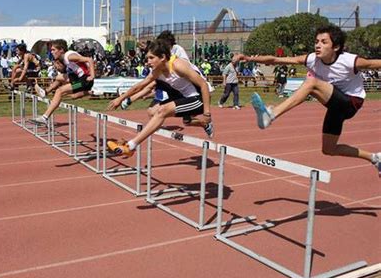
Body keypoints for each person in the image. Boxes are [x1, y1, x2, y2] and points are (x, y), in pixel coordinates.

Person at [239, 24, 381, 176]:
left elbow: (376, 63)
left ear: (336, 47)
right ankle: (375, 158)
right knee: (328, 149)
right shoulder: (312, 59)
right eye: (316, 41)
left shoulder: (350, 61)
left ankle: (271, 115)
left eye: (324, 42)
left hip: (351, 103)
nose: (318, 45)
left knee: (311, 82)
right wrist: (248, 58)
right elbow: (275, 59)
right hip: (335, 106)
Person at [106, 39, 213, 157]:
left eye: (151, 58)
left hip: (199, 99)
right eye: (147, 58)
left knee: (163, 111)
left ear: (162, 57)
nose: (148, 62)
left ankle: (131, 145)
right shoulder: (157, 71)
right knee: (154, 111)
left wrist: (207, 112)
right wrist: (120, 99)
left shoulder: (178, 65)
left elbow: (203, 85)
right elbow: (140, 86)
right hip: (184, 97)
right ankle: (132, 144)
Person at [32, 39, 95, 125]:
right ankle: (45, 91)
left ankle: (45, 117)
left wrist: (92, 75)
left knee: (59, 91)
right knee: (59, 77)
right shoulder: (65, 58)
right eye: (51, 50)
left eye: (54, 50)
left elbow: (89, 59)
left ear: (61, 50)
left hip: (84, 81)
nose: (52, 52)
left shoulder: (69, 56)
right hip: (78, 77)